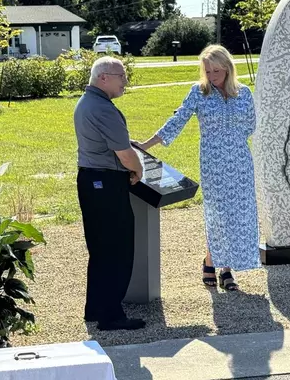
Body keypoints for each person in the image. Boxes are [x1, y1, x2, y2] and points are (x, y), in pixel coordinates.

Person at [136, 44, 260, 291]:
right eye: (208, 71)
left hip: (240, 161)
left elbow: (251, 125)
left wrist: (231, 139)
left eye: (217, 71)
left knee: (238, 213)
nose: (212, 76)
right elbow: (178, 119)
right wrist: (148, 144)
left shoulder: (244, 93)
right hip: (213, 162)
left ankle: (226, 269)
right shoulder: (198, 92)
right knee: (217, 213)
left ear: (227, 68)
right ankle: (213, 262)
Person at [74, 56, 146, 331]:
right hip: (105, 183)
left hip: (91, 180)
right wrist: (138, 170)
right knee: (117, 249)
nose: (125, 82)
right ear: (103, 77)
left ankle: (95, 308)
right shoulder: (103, 108)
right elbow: (125, 156)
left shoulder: (88, 102)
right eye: (121, 76)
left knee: (100, 249)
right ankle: (111, 316)